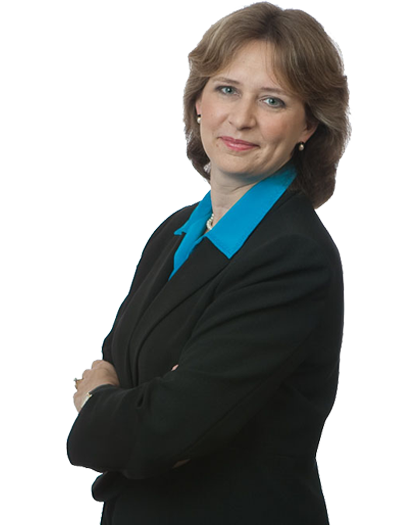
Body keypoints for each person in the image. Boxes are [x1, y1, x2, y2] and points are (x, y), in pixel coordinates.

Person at [67, 3, 350, 524]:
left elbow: (159, 433)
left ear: (308, 124)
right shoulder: (176, 231)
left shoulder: (292, 255)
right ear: (198, 100)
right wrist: (141, 405)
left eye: (272, 100)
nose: (241, 118)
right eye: (226, 89)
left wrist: (98, 400)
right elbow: (123, 372)